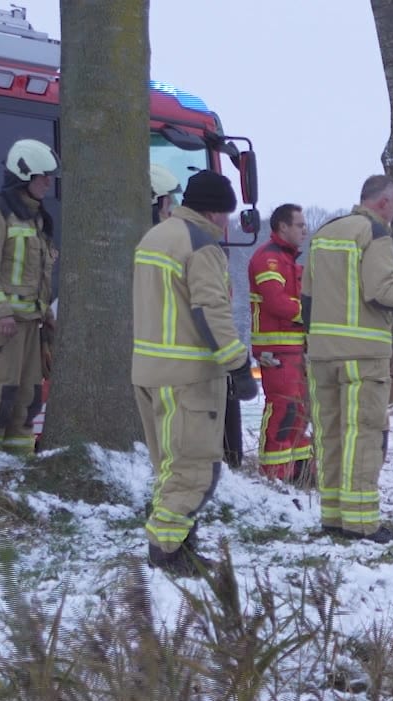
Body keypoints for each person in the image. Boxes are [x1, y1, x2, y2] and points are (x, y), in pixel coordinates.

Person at [130, 170, 259, 576]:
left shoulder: (156, 236)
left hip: (149, 370)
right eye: (227, 215)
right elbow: (211, 311)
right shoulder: (201, 246)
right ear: (217, 212)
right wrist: (238, 363)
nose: (227, 224)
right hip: (187, 375)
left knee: (169, 466)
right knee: (196, 469)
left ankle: (180, 545)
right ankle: (165, 549)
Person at [303, 176, 393, 542]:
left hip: (321, 353)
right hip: (363, 356)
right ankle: (361, 523)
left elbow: (307, 298)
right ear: (382, 202)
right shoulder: (375, 234)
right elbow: (380, 292)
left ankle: (332, 518)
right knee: (363, 437)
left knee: (329, 436)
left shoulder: (323, 233)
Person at [0, 138, 58, 459]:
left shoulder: (35, 216)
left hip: (28, 325)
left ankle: (18, 470)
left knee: (26, 401)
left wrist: (43, 313)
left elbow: (37, 274)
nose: (48, 183)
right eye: (43, 176)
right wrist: (1, 312)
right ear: (24, 175)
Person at [248, 203, 311, 482]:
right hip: (278, 352)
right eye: (299, 225)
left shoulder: (288, 261)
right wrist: (309, 314)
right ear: (282, 226)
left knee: (299, 412)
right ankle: (273, 476)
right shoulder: (268, 259)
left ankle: (297, 473)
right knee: (283, 411)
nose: (304, 230)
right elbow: (276, 301)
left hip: (295, 350)